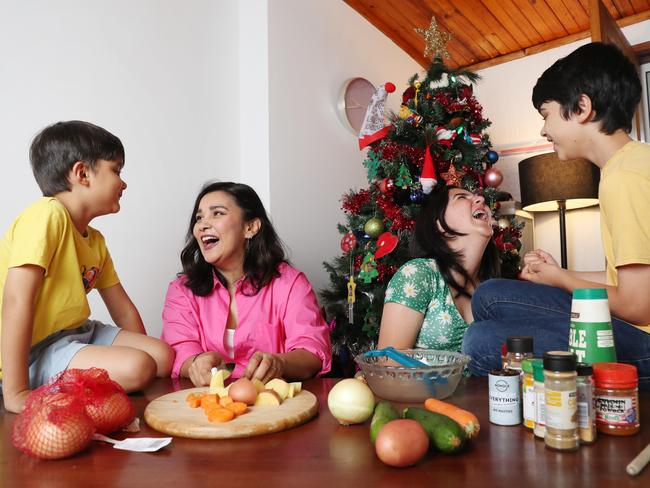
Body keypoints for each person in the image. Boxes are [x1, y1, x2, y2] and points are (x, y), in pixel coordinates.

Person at [462, 42, 650, 388]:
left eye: (546, 114)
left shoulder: (624, 178)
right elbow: (624, 279)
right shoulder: (630, 164)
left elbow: (638, 305)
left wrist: (560, 280)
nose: (543, 130)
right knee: (489, 296)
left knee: (481, 341)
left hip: (643, 342)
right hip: (635, 329)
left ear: (581, 108)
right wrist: (558, 272)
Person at [0, 121, 174, 413]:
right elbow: (16, 301)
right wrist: (16, 391)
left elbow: (123, 310)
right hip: (32, 348)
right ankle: (31, 381)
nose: (124, 182)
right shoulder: (46, 216)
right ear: (82, 174)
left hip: (74, 331)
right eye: (116, 170)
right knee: (139, 366)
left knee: (161, 356)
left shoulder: (95, 241)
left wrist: (144, 351)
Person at [161, 181, 331, 386]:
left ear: (250, 227)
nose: (202, 224)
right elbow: (178, 347)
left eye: (217, 213)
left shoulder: (290, 283)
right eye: (199, 218)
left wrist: (280, 363)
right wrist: (196, 362)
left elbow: (312, 350)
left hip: (273, 404)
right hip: (209, 407)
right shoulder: (182, 290)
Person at [377, 185, 500, 353]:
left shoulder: (493, 289)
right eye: (462, 197)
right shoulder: (419, 274)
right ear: (439, 226)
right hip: (419, 380)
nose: (481, 199)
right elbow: (388, 364)